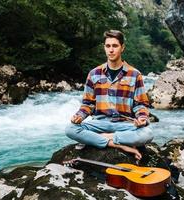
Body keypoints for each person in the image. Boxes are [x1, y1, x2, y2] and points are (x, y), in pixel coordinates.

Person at [65, 30, 153, 160]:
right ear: (104, 48)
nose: (111, 50)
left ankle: (103, 138)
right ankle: (117, 144)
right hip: (100, 123)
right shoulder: (94, 74)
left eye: (115, 46)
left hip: (126, 124)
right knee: (70, 129)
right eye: (108, 46)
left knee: (148, 133)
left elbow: (140, 104)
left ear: (122, 48)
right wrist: (79, 116)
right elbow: (88, 103)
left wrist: (141, 118)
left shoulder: (135, 74)